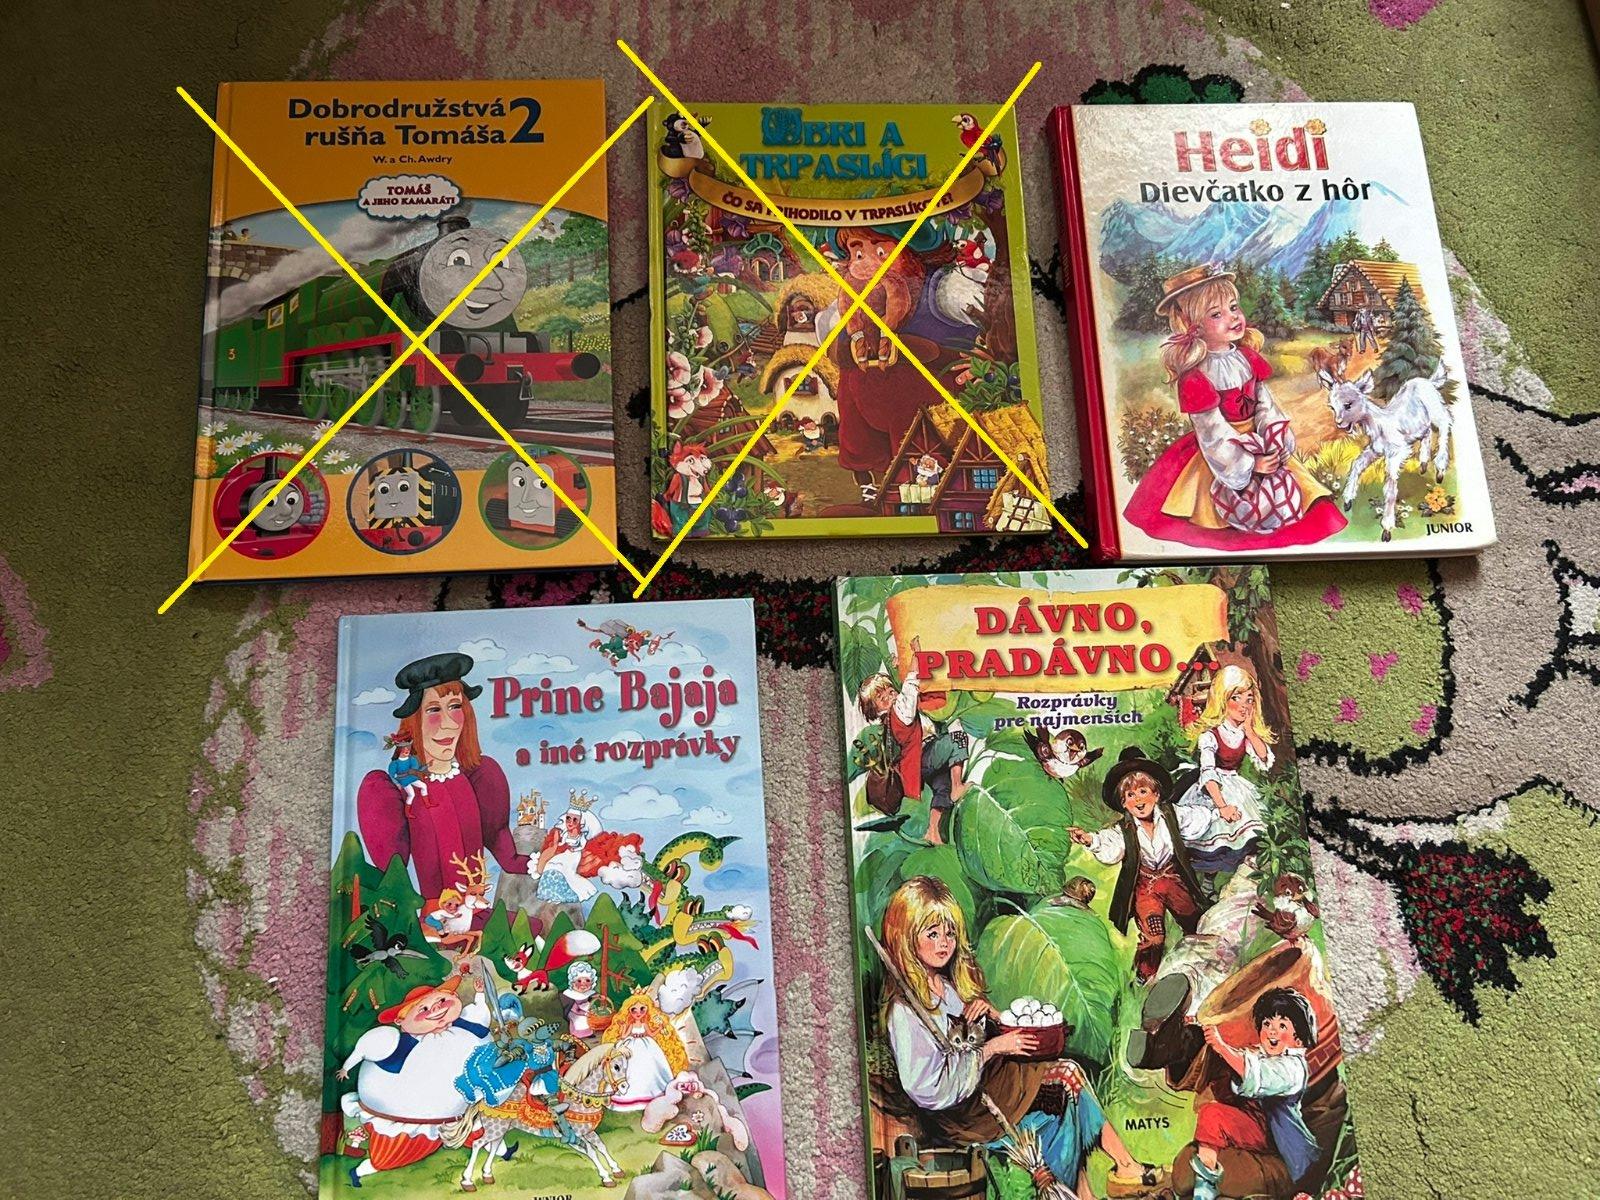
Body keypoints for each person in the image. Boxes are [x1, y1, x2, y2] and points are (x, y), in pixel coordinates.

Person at [879, 877, 1154, 1197]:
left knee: (1067, 1087)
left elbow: (969, 1037)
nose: (944, 943)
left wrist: (993, 1017)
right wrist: (993, 1048)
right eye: (933, 934)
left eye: (950, 933)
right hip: (967, 1115)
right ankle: (1116, 1172)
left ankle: (1097, 1183)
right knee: (1065, 1084)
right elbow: (929, 1088)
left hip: (989, 1092)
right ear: (906, 938)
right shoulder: (906, 1011)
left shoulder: (947, 987)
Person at [1122, 265, 1346, 552]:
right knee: (1222, 520)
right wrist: (1250, 465)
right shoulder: (1196, 375)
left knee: (1301, 502)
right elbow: (1212, 431)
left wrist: (1274, 437)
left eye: (1233, 307)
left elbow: (1265, 403)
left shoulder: (1246, 358)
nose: (1233, 317)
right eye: (1216, 314)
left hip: (1260, 442)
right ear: (1193, 325)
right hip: (1222, 454)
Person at [357, 653, 530, 904]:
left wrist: (552, 860)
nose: (448, 724)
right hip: (436, 915)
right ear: (414, 720)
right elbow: (392, 875)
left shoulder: (480, 775)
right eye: (434, 710)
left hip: (477, 907)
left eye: (455, 707)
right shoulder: (397, 791)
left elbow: (506, 852)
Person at [1068, 746, 1213, 983]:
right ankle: (1145, 977)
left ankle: (1203, 963)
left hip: (1173, 879)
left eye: (1143, 791)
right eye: (1130, 796)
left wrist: (1219, 812)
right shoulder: (1124, 829)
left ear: (1156, 794)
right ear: (1123, 803)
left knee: (1194, 920)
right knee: (1153, 936)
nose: (1138, 800)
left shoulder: (1172, 815)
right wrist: (1089, 840)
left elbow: (1199, 819)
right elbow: (1110, 845)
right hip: (1146, 888)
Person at [336, 977, 493, 1187]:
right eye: (423, 1008)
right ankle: (359, 1172)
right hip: (412, 1121)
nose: (436, 1009)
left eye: (441, 1001)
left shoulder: (465, 1028)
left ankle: (502, 1151)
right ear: (401, 1020)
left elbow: (481, 1021)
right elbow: (371, 1059)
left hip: (463, 1113)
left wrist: (480, 995)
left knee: (480, 1130)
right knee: (390, 1156)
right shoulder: (396, 1045)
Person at [1189, 988, 1321, 1200]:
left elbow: (1259, 1074)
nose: (1272, 1031)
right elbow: (1243, 1060)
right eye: (1267, 1024)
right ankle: (1204, 1186)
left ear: (1298, 1039)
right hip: (1256, 1127)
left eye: (1282, 1026)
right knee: (1211, 1114)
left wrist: (1221, 1047)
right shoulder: (1262, 1054)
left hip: (1280, 1140)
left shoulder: (1293, 1067)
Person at [856, 637, 968, 844]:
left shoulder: (891, 718)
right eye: (882, 697)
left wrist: (899, 666)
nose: (890, 695)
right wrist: (916, 655)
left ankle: (932, 831)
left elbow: (905, 691)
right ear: (876, 709)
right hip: (924, 756)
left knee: (941, 788)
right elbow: (909, 686)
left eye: (890, 691)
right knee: (957, 738)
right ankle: (957, 785)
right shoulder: (899, 712)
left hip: (920, 765)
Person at [1174, 664, 1274, 872]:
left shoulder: (1244, 733)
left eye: (1249, 699)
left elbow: (1263, 758)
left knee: (1252, 832)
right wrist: (1222, 806)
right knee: (1216, 836)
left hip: (1236, 786)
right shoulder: (1210, 735)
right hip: (1213, 789)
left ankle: (1246, 869)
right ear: (1222, 700)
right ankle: (1210, 878)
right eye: (1236, 698)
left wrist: (1250, 731)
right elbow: (1208, 774)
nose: (1244, 706)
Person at [385, 732, 429, 809]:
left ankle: (427, 804)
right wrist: (397, 783)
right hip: (403, 780)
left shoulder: (412, 759)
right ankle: (407, 811)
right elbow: (391, 775)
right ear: (399, 750)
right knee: (412, 794)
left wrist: (427, 766)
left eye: (408, 747)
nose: (407, 750)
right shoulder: (395, 763)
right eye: (404, 748)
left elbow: (417, 769)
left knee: (424, 786)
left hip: (411, 778)